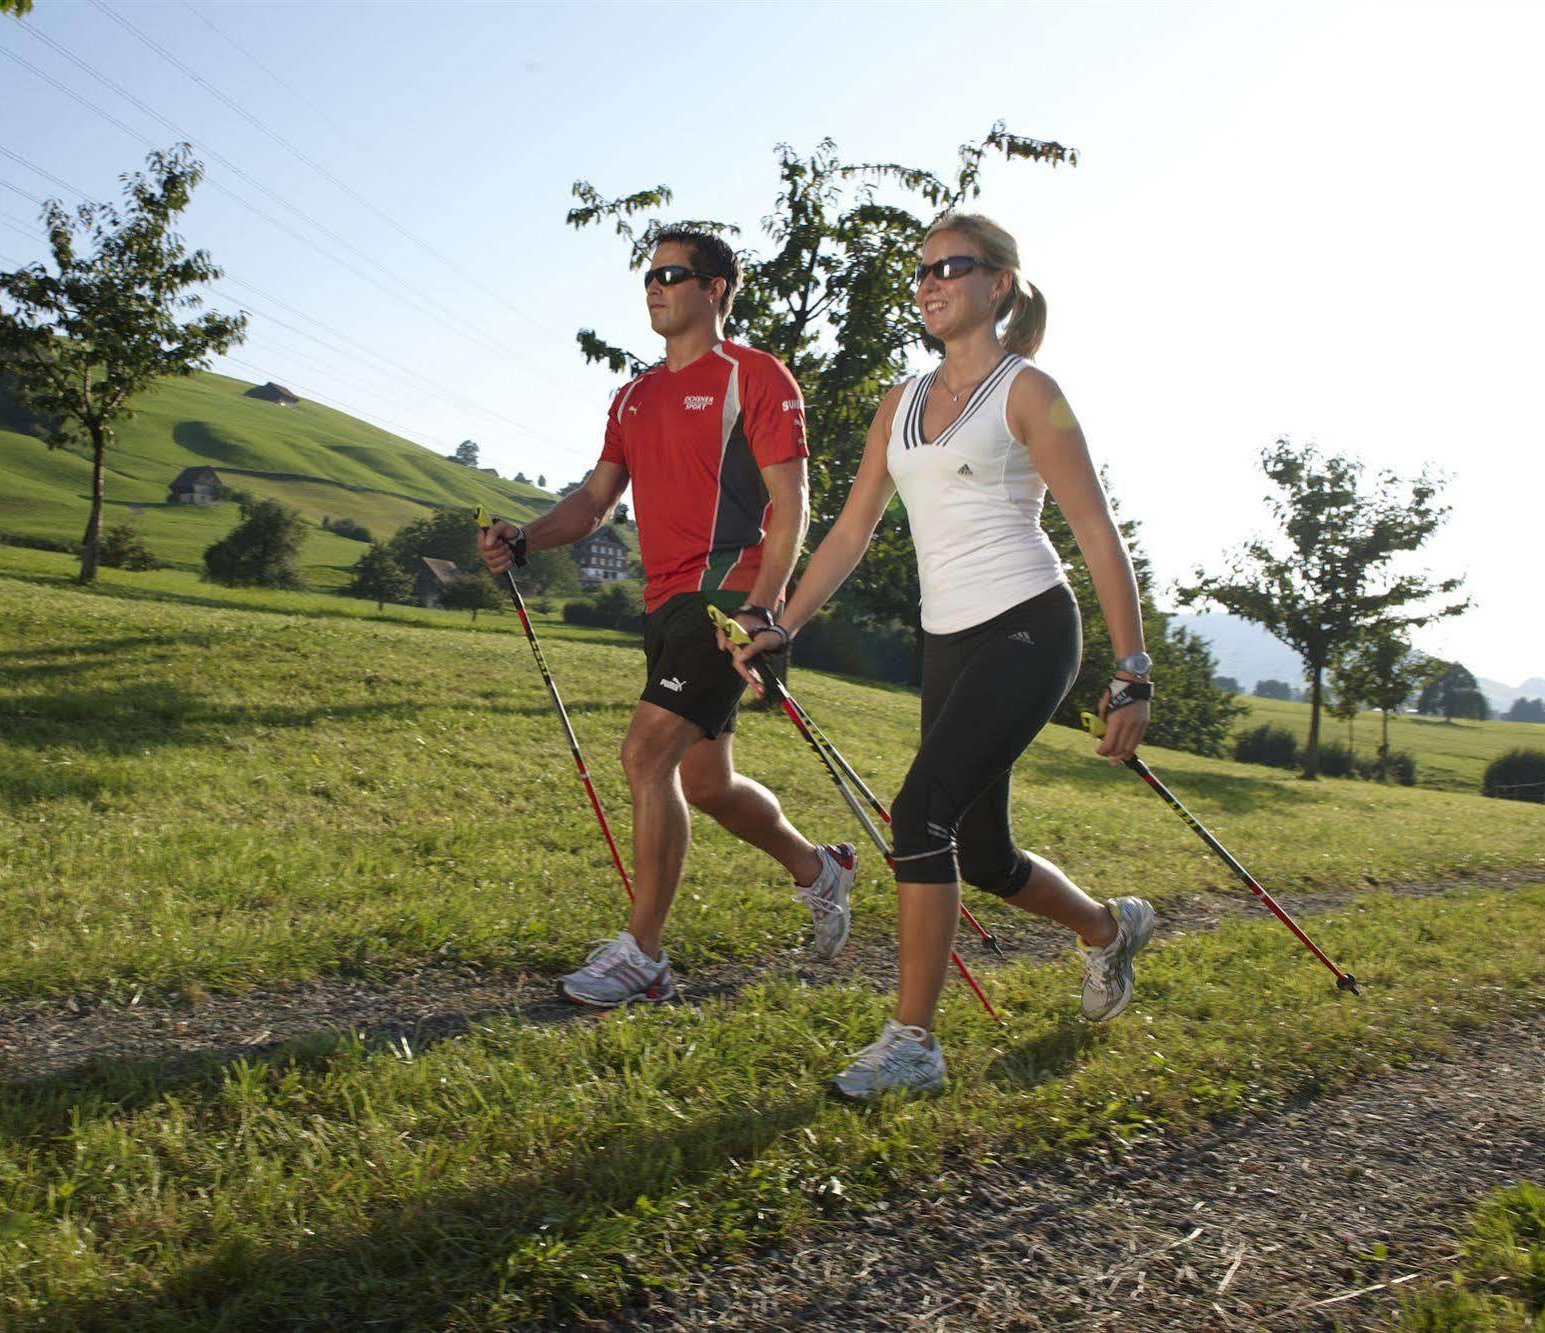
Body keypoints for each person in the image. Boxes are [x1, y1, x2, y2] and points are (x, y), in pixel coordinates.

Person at [727, 212, 1157, 1100]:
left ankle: (913, 1041)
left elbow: (1096, 534)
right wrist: (781, 620)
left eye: (948, 268)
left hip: (1030, 625)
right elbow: (849, 531)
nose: (927, 283)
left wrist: (1131, 670)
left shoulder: (1030, 393)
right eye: (919, 271)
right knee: (985, 851)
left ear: (998, 283)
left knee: (918, 810)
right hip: (948, 637)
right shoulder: (901, 401)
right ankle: (1108, 929)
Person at [478, 227, 856, 1007]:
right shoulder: (633, 395)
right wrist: (524, 538)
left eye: (671, 274)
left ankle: (642, 954)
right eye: (647, 275)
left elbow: (791, 504)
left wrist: (762, 607)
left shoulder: (753, 376)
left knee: (644, 754)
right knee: (707, 783)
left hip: (728, 596)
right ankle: (818, 868)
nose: (653, 287)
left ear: (715, 288)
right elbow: (591, 503)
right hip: (664, 600)